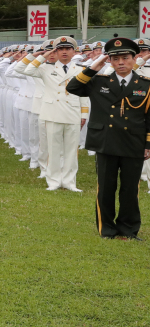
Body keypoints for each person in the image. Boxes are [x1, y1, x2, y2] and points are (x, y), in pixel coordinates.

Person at [66, 37, 150, 240]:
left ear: (134, 59)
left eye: (125, 57)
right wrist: (95, 66)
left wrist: (148, 144)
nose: (120, 62)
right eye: (115, 58)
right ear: (109, 61)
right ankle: (107, 229)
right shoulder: (99, 81)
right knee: (106, 188)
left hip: (134, 142)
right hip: (106, 141)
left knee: (130, 190)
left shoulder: (145, 85)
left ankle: (128, 229)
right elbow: (72, 87)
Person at [21, 36, 87, 191]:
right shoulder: (46, 68)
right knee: (53, 149)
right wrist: (43, 55)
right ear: (55, 52)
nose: (64, 52)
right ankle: (53, 181)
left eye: (67, 49)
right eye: (60, 49)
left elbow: (85, 95)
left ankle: (70, 182)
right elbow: (27, 69)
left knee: (71, 150)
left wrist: (83, 115)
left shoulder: (80, 70)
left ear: (74, 51)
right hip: (52, 113)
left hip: (72, 113)